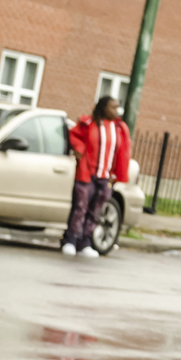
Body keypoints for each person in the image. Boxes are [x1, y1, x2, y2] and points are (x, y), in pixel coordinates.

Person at [61, 96, 130, 258]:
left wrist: (117, 174)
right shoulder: (89, 124)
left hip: (105, 177)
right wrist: (79, 148)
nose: (116, 111)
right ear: (103, 107)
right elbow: (74, 136)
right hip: (86, 174)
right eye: (112, 107)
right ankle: (70, 240)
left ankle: (85, 242)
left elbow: (123, 152)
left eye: (117, 108)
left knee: (95, 211)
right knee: (80, 208)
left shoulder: (119, 128)